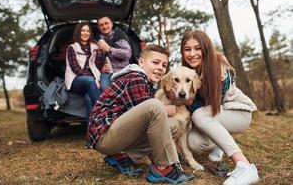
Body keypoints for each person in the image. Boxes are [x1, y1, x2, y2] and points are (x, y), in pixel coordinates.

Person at [87, 44, 194, 184]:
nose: (160, 68)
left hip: (116, 135)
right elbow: (148, 112)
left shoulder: (145, 81)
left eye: (164, 65)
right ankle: (163, 167)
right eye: (155, 62)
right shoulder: (136, 76)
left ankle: (123, 156)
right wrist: (166, 109)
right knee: (155, 106)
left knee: (172, 125)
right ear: (141, 62)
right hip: (104, 135)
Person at [178, 30, 259, 185]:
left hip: (237, 113)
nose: (192, 54)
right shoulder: (189, 72)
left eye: (197, 48)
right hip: (214, 115)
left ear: (206, 48)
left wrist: (188, 102)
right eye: (187, 49)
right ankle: (221, 143)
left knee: (199, 115)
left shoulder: (218, 67)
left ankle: (245, 166)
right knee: (193, 142)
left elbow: (212, 106)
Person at [65, 22, 101, 122]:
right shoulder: (72, 48)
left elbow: (97, 65)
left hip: (92, 81)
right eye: (83, 30)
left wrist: (101, 53)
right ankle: (104, 109)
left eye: (88, 31)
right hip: (76, 80)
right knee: (89, 81)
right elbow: (74, 66)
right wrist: (90, 78)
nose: (85, 33)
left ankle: (91, 132)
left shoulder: (94, 47)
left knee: (89, 99)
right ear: (78, 32)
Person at [94, 16, 132, 91]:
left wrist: (109, 49)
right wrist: (100, 67)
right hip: (106, 73)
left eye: (106, 23)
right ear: (98, 28)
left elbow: (127, 54)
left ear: (111, 24)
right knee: (105, 89)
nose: (104, 26)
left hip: (122, 70)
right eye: (101, 25)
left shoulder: (120, 36)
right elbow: (93, 60)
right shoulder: (97, 40)